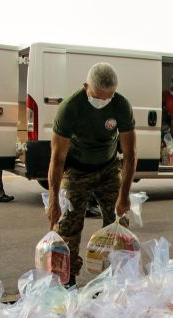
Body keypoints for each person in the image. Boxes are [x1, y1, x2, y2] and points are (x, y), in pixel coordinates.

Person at [46, 63, 136, 287]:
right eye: (98, 97)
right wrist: (54, 199)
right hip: (77, 169)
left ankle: (117, 281)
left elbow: (130, 154)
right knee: (68, 226)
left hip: (108, 168)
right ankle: (67, 281)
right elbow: (57, 159)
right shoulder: (70, 108)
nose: (103, 102)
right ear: (86, 87)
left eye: (108, 97)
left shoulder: (121, 105)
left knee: (120, 223)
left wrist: (124, 195)